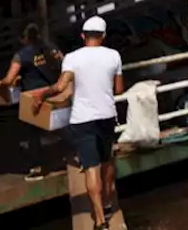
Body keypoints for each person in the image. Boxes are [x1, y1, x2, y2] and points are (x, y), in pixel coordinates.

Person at [35, 16, 124, 229]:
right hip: (106, 116)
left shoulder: (73, 58)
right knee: (107, 161)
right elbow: (119, 89)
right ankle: (108, 202)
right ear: (103, 35)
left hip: (83, 119)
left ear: (83, 36)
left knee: (91, 167)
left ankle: (100, 220)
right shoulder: (114, 56)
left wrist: (42, 95)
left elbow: (59, 86)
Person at [0, 23, 64, 180]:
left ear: (23, 39)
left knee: (32, 133)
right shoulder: (51, 48)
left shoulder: (22, 55)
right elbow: (65, 64)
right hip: (53, 93)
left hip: (33, 97)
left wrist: (1, 85)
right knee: (60, 127)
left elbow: (9, 79)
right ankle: (69, 157)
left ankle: (38, 167)